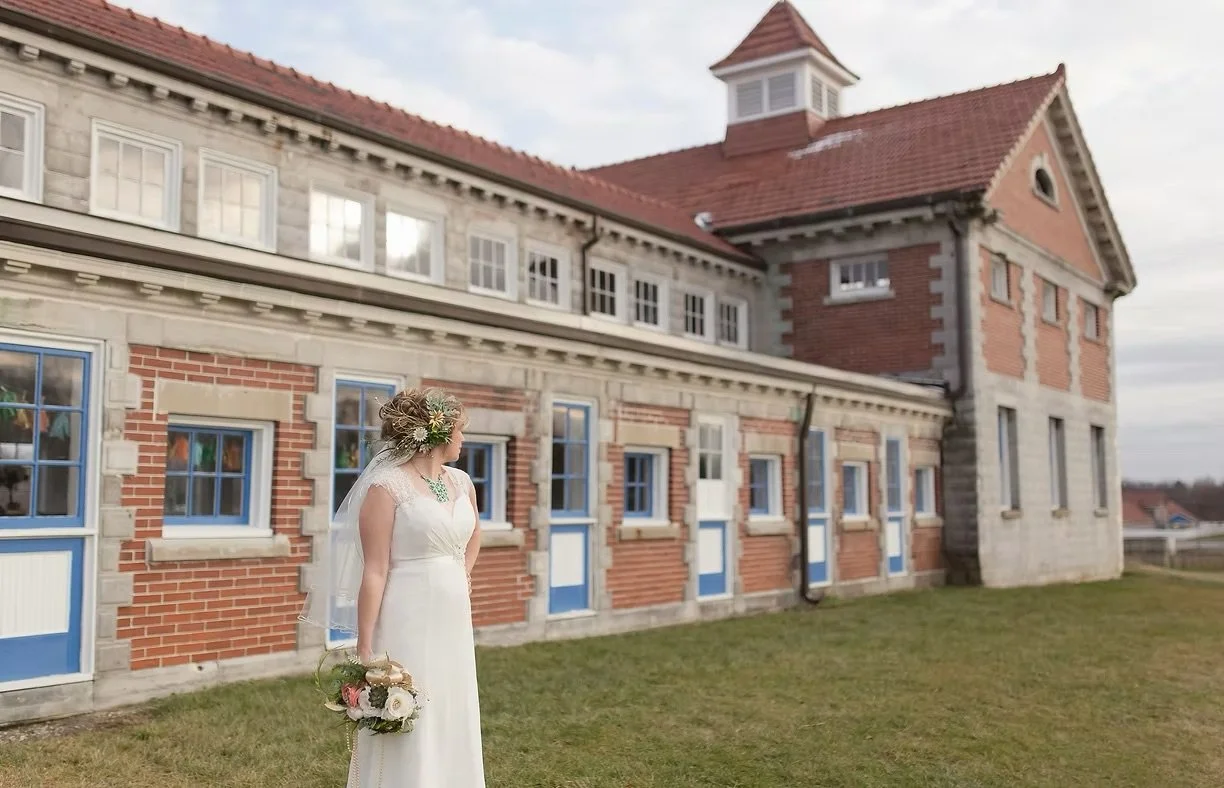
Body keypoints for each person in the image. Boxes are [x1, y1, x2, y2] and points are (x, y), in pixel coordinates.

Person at [304, 386, 486, 787]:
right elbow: (374, 570)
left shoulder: (461, 482)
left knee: (451, 704)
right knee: (413, 706)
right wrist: (365, 648)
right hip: (406, 612)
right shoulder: (386, 487)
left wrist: (462, 577)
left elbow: (473, 536)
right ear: (436, 433)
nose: (463, 438)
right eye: (459, 430)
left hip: (452, 617)